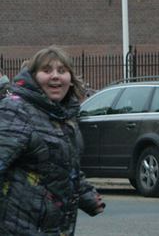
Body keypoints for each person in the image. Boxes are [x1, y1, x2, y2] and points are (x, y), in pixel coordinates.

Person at [0, 46, 105, 235]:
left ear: (71, 80)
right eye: (46, 71)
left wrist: (88, 197)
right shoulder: (16, 109)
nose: (55, 76)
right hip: (18, 226)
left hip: (55, 226)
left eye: (62, 71)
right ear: (34, 77)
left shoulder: (64, 117)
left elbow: (63, 166)